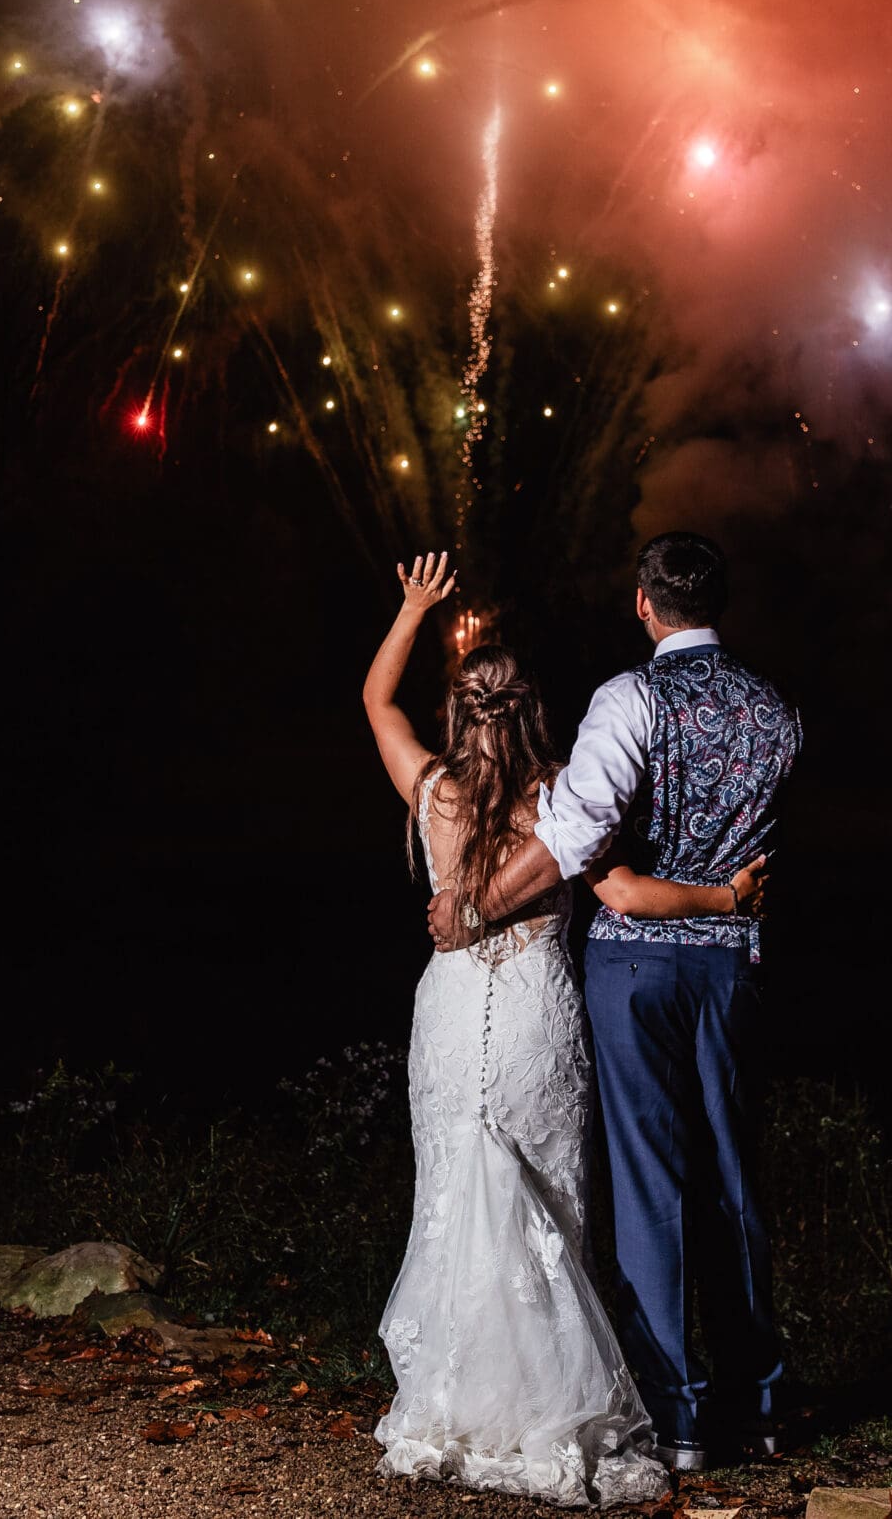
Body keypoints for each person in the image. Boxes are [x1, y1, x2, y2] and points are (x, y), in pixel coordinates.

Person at [361, 552, 767, 1508]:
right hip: (542, 1017)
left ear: (458, 714)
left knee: (456, 1188)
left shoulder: (431, 791)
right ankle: (561, 1399)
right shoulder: (561, 798)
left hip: (452, 1014)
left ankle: (453, 1399)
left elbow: (378, 702)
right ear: (534, 708)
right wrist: (724, 893)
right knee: (553, 1201)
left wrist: (415, 609)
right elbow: (623, 890)